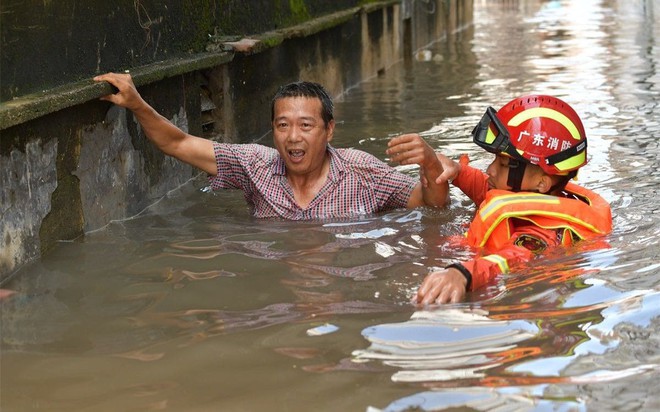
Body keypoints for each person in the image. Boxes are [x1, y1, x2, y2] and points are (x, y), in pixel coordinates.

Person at [93, 73, 449, 219]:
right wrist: (137, 104)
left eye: (306, 126)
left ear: (329, 131)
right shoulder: (254, 165)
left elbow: (432, 206)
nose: (293, 137)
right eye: (283, 125)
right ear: (273, 130)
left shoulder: (363, 171)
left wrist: (431, 165)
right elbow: (179, 143)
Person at [414, 95, 613, 304]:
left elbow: (513, 257)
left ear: (542, 183)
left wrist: (462, 273)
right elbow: (486, 187)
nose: (490, 170)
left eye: (502, 164)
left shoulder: (541, 235)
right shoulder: (527, 191)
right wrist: (457, 171)